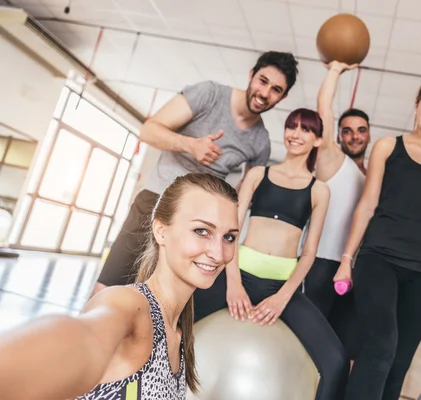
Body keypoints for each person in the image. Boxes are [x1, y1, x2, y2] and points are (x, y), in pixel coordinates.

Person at [0, 173, 241, 400]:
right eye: (202, 231)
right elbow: (78, 337)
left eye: (228, 237)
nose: (218, 252)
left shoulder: (179, 334)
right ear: (161, 231)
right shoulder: (130, 306)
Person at [92, 51, 299, 296]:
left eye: (276, 89)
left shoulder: (260, 141)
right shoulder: (209, 94)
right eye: (262, 81)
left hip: (201, 225)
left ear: (283, 96)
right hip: (157, 202)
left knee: (159, 300)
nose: (265, 93)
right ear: (251, 75)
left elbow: (244, 194)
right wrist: (191, 145)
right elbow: (148, 131)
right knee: (106, 289)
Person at [192, 108, 349, 399]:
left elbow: (309, 253)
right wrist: (234, 282)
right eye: (292, 127)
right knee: (167, 321)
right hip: (237, 276)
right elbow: (230, 232)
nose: (295, 134)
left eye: (305, 129)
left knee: (336, 361)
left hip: (281, 287)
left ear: (317, 140)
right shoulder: (258, 174)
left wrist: (282, 297)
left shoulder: (319, 190)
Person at [334, 75, 421, 400]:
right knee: (381, 346)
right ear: (417, 105)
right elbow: (366, 206)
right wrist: (347, 260)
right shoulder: (387, 147)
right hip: (379, 260)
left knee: (399, 362)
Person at [302, 61, 369, 356]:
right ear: (339, 135)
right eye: (347, 131)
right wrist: (335, 71)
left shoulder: (376, 177)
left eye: (361, 130)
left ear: (368, 134)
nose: (354, 136)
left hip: (356, 271)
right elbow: (323, 108)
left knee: (339, 347)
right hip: (321, 263)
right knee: (307, 341)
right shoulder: (332, 159)